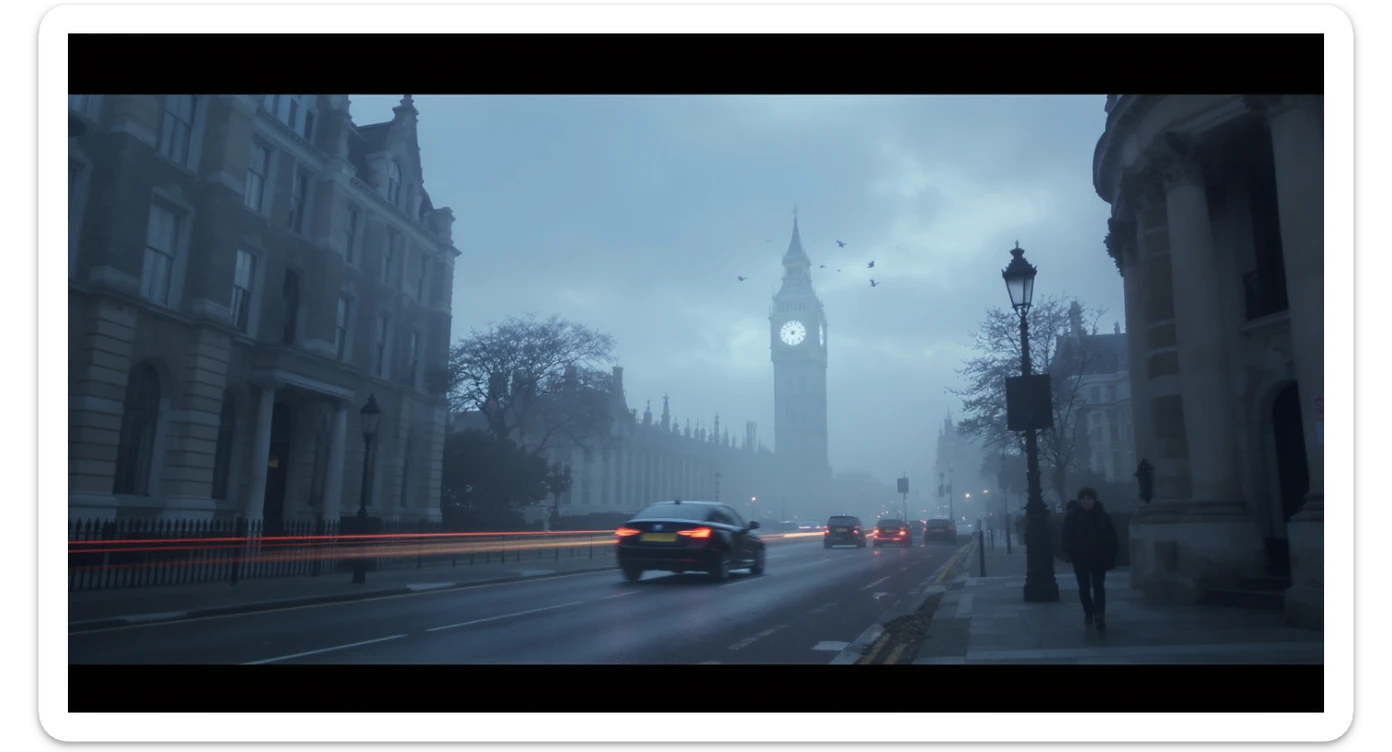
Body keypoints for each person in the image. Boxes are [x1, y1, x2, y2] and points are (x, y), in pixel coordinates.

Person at [1061, 487, 1119, 630]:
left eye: (1089, 498)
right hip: (1080, 558)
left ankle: (1099, 614)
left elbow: (1112, 537)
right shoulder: (1072, 516)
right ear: (1080, 500)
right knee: (1084, 588)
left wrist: (1111, 553)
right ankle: (1088, 612)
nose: (1086, 501)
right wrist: (1070, 553)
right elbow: (1066, 536)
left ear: (1094, 500)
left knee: (1099, 587)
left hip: (1099, 557)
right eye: (1084, 498)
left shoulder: (1103, 516)